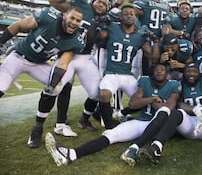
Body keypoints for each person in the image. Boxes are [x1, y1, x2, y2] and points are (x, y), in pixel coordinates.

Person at [45, 63, 181, 166]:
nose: (159, 72)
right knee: (111, 135)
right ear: (152, 73)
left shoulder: (173, 85)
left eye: (162, 70)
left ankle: (135, 148)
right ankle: (71, 154)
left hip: (159, 125)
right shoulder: (145, 81)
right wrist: (152, 99)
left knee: (163, 112)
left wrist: (145, 101)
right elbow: (133, 103)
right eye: (156, 70)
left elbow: (168, 108)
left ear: (167, 73)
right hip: (141, 121)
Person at [27, 0, 113, 149]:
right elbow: (55, 2)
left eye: (104, 4)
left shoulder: (104, 20)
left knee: (98, 92)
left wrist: (101, 25)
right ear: (94, 0)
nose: (100, 5)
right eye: (99, 1)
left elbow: (95, 40)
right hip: (67, 53)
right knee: (54, 88)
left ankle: (87, 120)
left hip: (85, 58)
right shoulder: (80, 5)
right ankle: (37, 129)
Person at [0, 6, 84, 99]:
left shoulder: (76, 41)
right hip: (19, 57)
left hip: (38, 64)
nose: (74, 22)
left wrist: (52, 86)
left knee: (61, 84)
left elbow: (63, 63)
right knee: (1, 88)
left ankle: (42, 113)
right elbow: (18, 26)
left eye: (78, 20)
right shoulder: (49, 18)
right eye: (72, 18)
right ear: (64, 15)